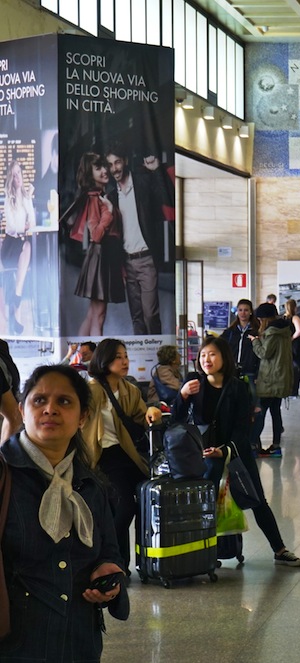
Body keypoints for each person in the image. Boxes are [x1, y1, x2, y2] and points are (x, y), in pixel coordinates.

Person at [0, 365, 128, 660]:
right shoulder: (4, 475)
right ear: (22, 409)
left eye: (64, 401)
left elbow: (110, 551)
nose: (50, 409)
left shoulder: (91, 486)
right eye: (39, 400)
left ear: (82, 417)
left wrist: (109, 574)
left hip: (79, 642)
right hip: (16, 645)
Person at [174, 338, 300, 567]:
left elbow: (243, 428)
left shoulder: (239, 387)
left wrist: (224, 450)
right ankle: (203, 552)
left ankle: (280, 549)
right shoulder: (194, 384)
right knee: (206, 502)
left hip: (235, 452)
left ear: (224, 357)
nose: (207, 359)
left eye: (212, 354)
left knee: (257, 500)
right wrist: (183, 396)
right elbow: (177, 421)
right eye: (203, 355)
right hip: (204, 454)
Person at [80, 338, 163, 569]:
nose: (124, 361)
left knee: (148, 500)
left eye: (125, 356)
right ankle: (112, 561)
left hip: (128, 455)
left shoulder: (129, 389)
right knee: (124, 507)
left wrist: (152, 412)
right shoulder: (91, 390)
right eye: (118, 357)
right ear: (104, 360)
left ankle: (135, 562)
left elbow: (141, 415)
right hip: (103, 457)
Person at [105, 144, 169, 335]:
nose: (115, 168)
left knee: (150, 314)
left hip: (146, 259)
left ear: (124, 161)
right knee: (137, 316)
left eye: (117, 162)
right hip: (127, 262)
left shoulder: (142, 182)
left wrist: (157, 170)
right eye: (110, 165)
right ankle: (142, 359)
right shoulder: (111, 195)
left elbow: (166, 198)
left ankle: (158, 355)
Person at [71, 153, 124, 336]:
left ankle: (79, 356)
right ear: (89, 173)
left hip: (103, 256)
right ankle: (96, 360)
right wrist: (109, 213)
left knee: (93, 313)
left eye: (104, 166)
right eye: (98, 168)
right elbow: (95, 234)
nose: (104, 171)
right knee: (99, 314)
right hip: (101, 255)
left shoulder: (100, 195)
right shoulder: (95, 197)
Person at [252, 302, 294, 457]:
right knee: (276, 413)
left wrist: (254, 341)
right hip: (281, 377)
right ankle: (276, 445)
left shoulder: (272, 332)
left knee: (260, 413)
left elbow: (264, 353)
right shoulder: (284, 330)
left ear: (264, 319)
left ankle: (253, 444)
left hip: (270, 379)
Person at [2, 159, 35, 334]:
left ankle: (17, 298)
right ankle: (17, 296)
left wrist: (28, 199)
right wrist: (25, 227)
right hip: (9, 244)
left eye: (19, 173)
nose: (18, 177)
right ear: (11, 178)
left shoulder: (25, 195)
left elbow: (33, 221)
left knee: (28, 246)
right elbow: (14, 227)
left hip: (21, 243)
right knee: (27, 247)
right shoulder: (9, 199)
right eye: (14, 175)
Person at [220, 299, 260, 382]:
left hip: (250, 371)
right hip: (232, 371)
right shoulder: (230, 331)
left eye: (246, 310)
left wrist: (258, 372)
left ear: (251, 312)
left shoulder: (257, 331)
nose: (243, 313)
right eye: (240, 310)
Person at [284, 298, 300, 396]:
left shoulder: (283, 318)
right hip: (296, 345)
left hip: (285, 346)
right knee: (298, 368)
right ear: (295, 307)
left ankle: (288, 389)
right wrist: (292, 338)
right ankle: (294, 390)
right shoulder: (295, 318)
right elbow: (299, 330)